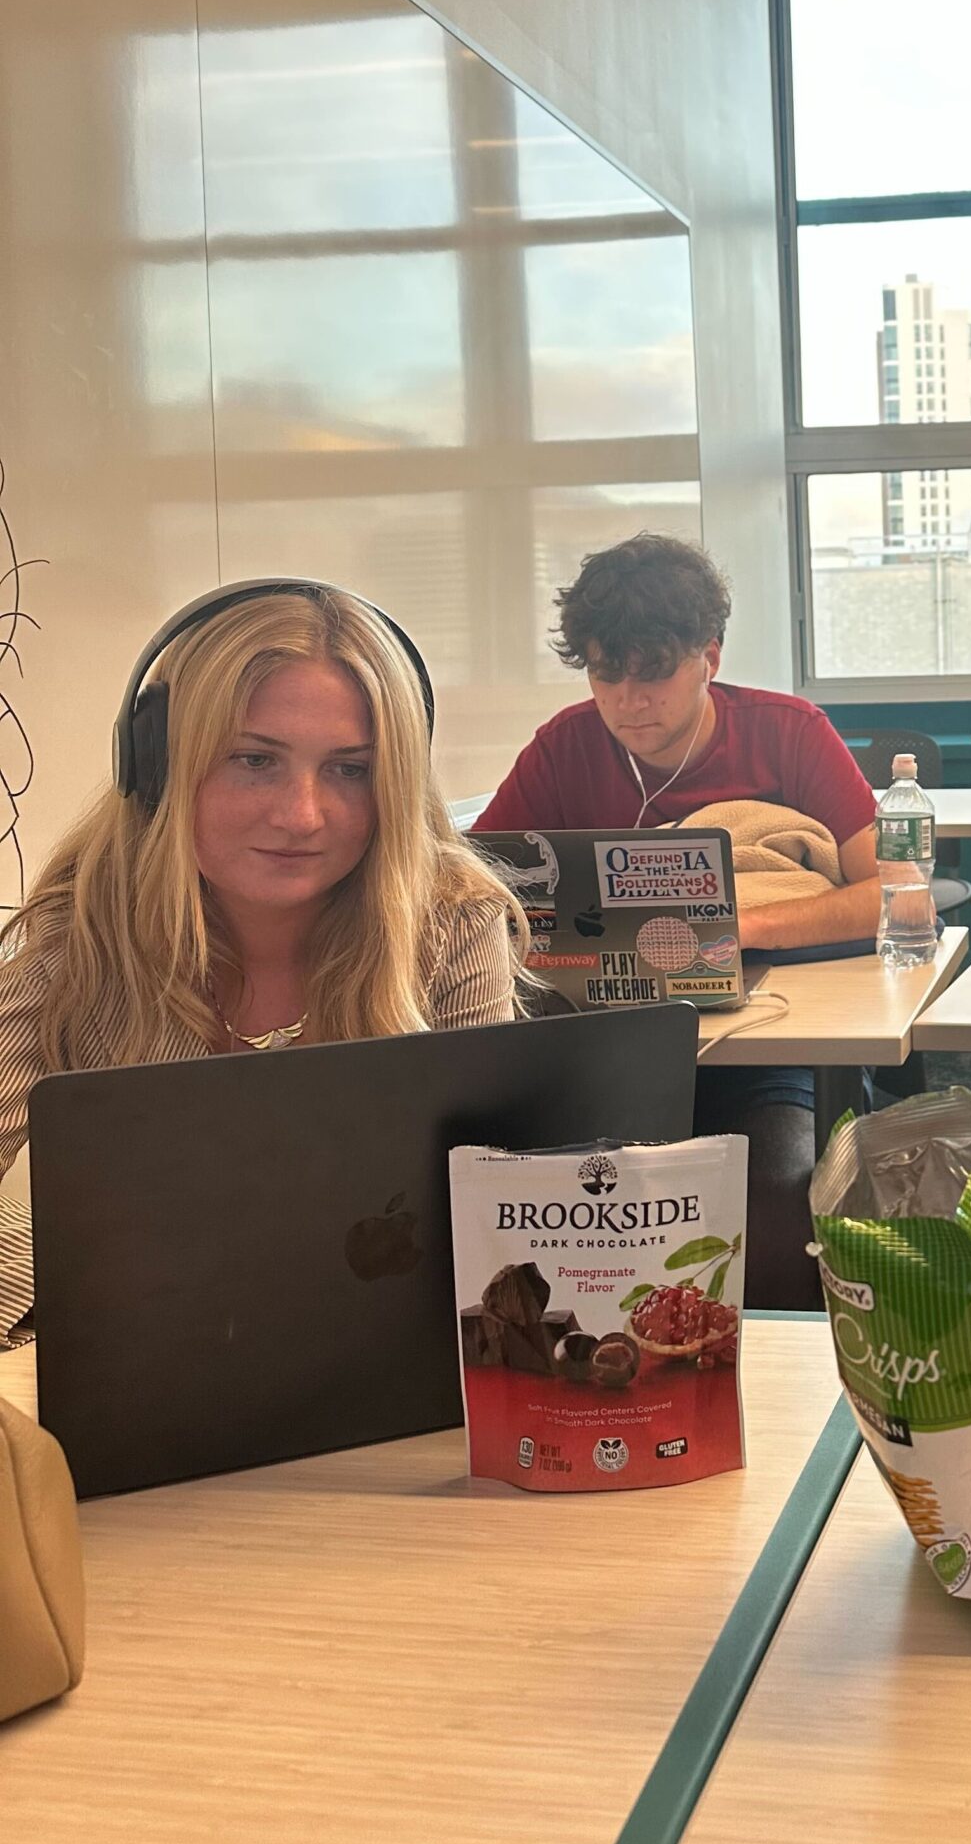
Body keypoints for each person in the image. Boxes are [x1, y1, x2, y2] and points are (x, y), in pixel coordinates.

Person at [0, 583, 527, 1340]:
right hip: (155, 1373)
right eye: (254, 760)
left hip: (381, 1372)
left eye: (349, 769)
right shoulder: (77, 935)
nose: (302, 816)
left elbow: (499, 1216)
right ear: (154, 767)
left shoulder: (450, 922)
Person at [476, 534, 882, 1306]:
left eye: (655, 673)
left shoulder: (787, 732)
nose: (629, 700)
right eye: (606, 673)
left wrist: (732, 930)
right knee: (562, 1218)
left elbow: (894, 893)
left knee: (773, 1217)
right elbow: (472, 886)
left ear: (711, 657)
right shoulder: (566, 747)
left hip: (769, 1046)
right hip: (610, 1048)